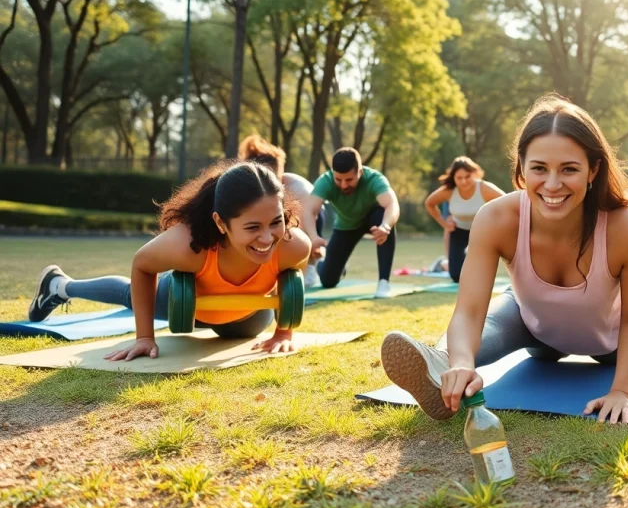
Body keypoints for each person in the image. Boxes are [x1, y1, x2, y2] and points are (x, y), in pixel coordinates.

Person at [379, 94, 628, 425]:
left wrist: (621, 391)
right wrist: (463, 362)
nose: (552, 183)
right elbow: (470, 310)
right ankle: (443, 362)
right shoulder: (496, 219)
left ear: (593, 170)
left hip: (609, 343)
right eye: (539, 168)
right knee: (502, 312)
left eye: (569, 169)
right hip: (539, 333)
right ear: (520, 169)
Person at [26, 161, 312, 360]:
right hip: (185, 307)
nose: (267, 238)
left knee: (244, 332)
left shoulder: (293, 245)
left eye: (275, 222)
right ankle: (60, 286)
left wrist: (283, 331)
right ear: (221, 223)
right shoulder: (190, 244)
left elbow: (289, 281)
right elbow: (142, 264)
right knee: (132, 294)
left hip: (245, 318)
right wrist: (144, 338)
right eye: (252, 227)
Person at [302, 147, 401, 298]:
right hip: (346, 226)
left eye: (349, 180)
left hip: (374, 222)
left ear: (360, 172)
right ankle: (328, 264)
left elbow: (392, 204)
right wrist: (314, 237)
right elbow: (309, 211)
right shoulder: (325, 181)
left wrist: (385, 226)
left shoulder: (374, 179)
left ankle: (384, 283)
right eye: (338, 180)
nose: (343, 185)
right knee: (328, 281)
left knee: (383, 216)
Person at [238, 134, 324, 286]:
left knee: (313, 274)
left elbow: (300, 230)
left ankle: (318, 263)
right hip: (279, 219)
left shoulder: (300, 191)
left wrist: (312, 242)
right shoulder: (246, 191)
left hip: (311, 218)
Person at [424, 156, 506, 282]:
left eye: (467, 176)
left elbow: (507, 202)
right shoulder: (449, 191)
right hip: (459, 230)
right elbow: (429, 204)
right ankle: (443, 263)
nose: (463, 181)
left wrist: (495, 223)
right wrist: (445, 224)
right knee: (456, 276)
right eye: (459, 178)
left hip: (481, 231)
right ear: (453, 178)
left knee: (481, 276)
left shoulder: (484, 188)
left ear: (473, 174)